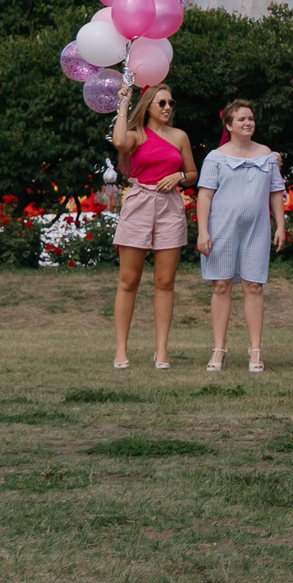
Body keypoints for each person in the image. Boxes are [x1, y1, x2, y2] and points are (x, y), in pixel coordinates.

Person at [109, 81, 197, 369]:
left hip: (170, 205)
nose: (168, 108)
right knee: (129, 280)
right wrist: (123, 105)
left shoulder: (179, 136)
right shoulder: (136, 135)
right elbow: (119, 143)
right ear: (148, 106)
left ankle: (161, 351)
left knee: (165, 282)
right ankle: (121, 350)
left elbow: (192, 172)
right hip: (140, 202)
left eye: (171, 103)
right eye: (162, 103)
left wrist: (179, 178)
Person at [194, 99, 286, 373]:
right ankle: (218, 350)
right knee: (221, 285)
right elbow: (205, 196)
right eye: (241, 119)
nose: (248, 123)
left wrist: (280, 225)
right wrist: (202, 231)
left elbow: (275, 192)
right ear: (229, 125)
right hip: (221, 228)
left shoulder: (267, 155)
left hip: (256, 229)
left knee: (253, 286)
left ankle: (255, 351)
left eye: (251, 118)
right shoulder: (216, 157)